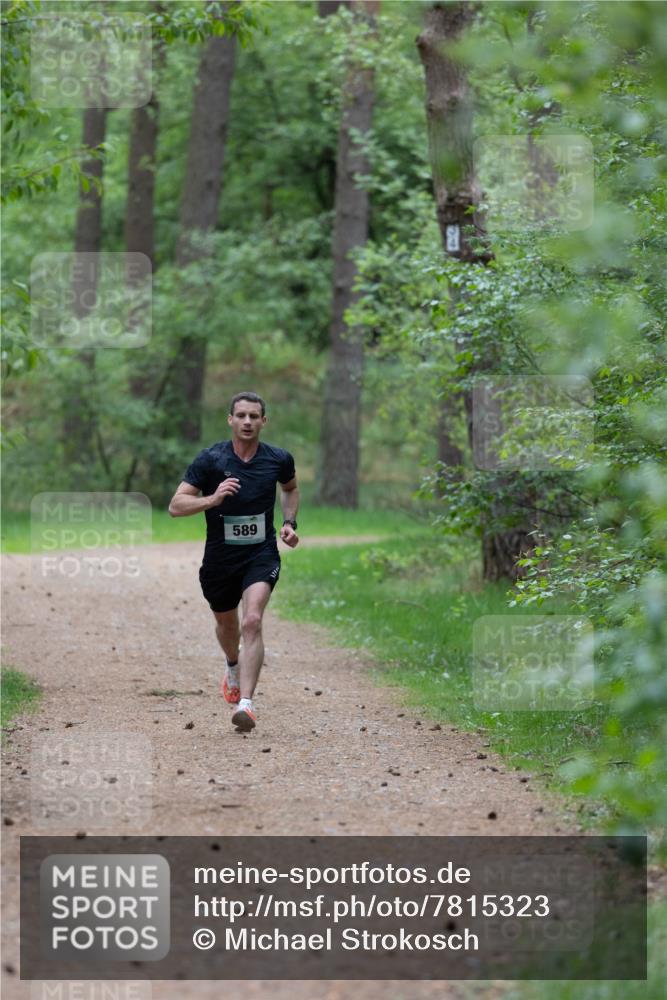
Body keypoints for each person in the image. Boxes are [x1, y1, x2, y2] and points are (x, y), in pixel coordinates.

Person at [168, 392, 299, 731]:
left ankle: (247, 704)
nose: (247, 422)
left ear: (263, 421)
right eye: (241, 415)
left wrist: (289, 523)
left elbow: (290, 488)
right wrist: (213, 498)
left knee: (252, 620)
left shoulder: (278, 459)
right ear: (230, 419)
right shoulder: (210, 460)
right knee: (228, 626)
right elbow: (176, 505)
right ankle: (232, 665)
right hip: (220, 559)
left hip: (261, 553)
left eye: (254, 416)